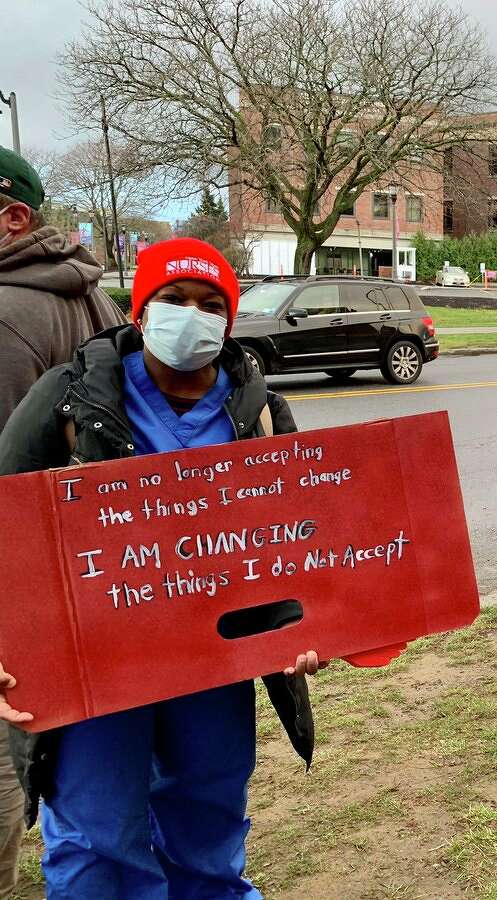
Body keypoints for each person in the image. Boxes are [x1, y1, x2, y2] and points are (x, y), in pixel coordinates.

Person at [0, 237, 323, 897]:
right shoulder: (69, 400)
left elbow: (295, 540)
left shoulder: (256, 409)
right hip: (93, 668)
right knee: (97, 842)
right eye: (174, 300)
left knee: (207, 826)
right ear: (140, 312)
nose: (191, 316)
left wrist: (303, 630)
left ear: (228, 323)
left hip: (214, 666)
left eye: (210, 305)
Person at [0, 147, 127, 894]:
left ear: (14, 218)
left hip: (30, 593)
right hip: (104, 580)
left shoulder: (8, 316)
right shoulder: (95, 299)